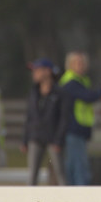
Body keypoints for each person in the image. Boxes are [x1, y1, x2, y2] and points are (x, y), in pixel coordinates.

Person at [59, 51, 101, 185]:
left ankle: (74, 191)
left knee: (74, 163)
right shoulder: (70, 82)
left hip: (79, 129)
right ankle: (80, 192)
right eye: (77, 63)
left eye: (82, 62)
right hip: (73, 128)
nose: (81, 65)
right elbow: (88, 96)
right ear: (70, 65)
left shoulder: (81, 80)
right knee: (80, 165)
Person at [22, 57, 67, 185]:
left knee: (60, 173)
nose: (34, 73)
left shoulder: (60, 93)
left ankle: (68, 201)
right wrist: (25, 139)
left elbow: (64, 118)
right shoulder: (33, 92)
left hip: (53, 138)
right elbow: (29, 117)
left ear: (47, 71)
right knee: (32, 174)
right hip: (35, 136)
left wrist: (58, 139)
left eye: (37, 70)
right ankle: (30, 201)